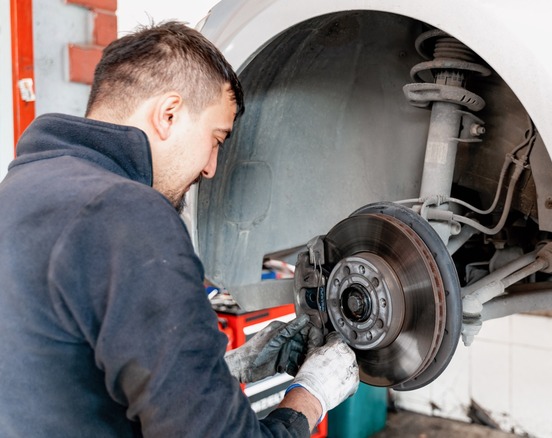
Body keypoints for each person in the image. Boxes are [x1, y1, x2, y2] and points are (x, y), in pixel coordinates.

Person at [0, 21, 358, 437]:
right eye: (217, 139)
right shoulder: (128, 214)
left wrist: (225, 368)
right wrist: (310, 395)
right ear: (168, 114)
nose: (210, 168)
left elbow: (67, 372)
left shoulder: (23, 188)